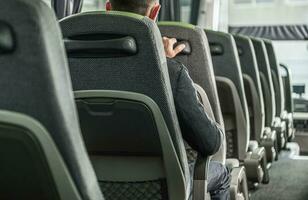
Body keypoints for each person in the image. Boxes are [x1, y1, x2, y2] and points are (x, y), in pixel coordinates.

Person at [106, 0, 231, 199]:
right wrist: (163, 65)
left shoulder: (72, 68)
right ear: (155, 12)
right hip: (159, 188)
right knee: (222, 174)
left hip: (91, 183)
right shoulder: (171, 73)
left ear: (108, 8)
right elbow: (209, 143)